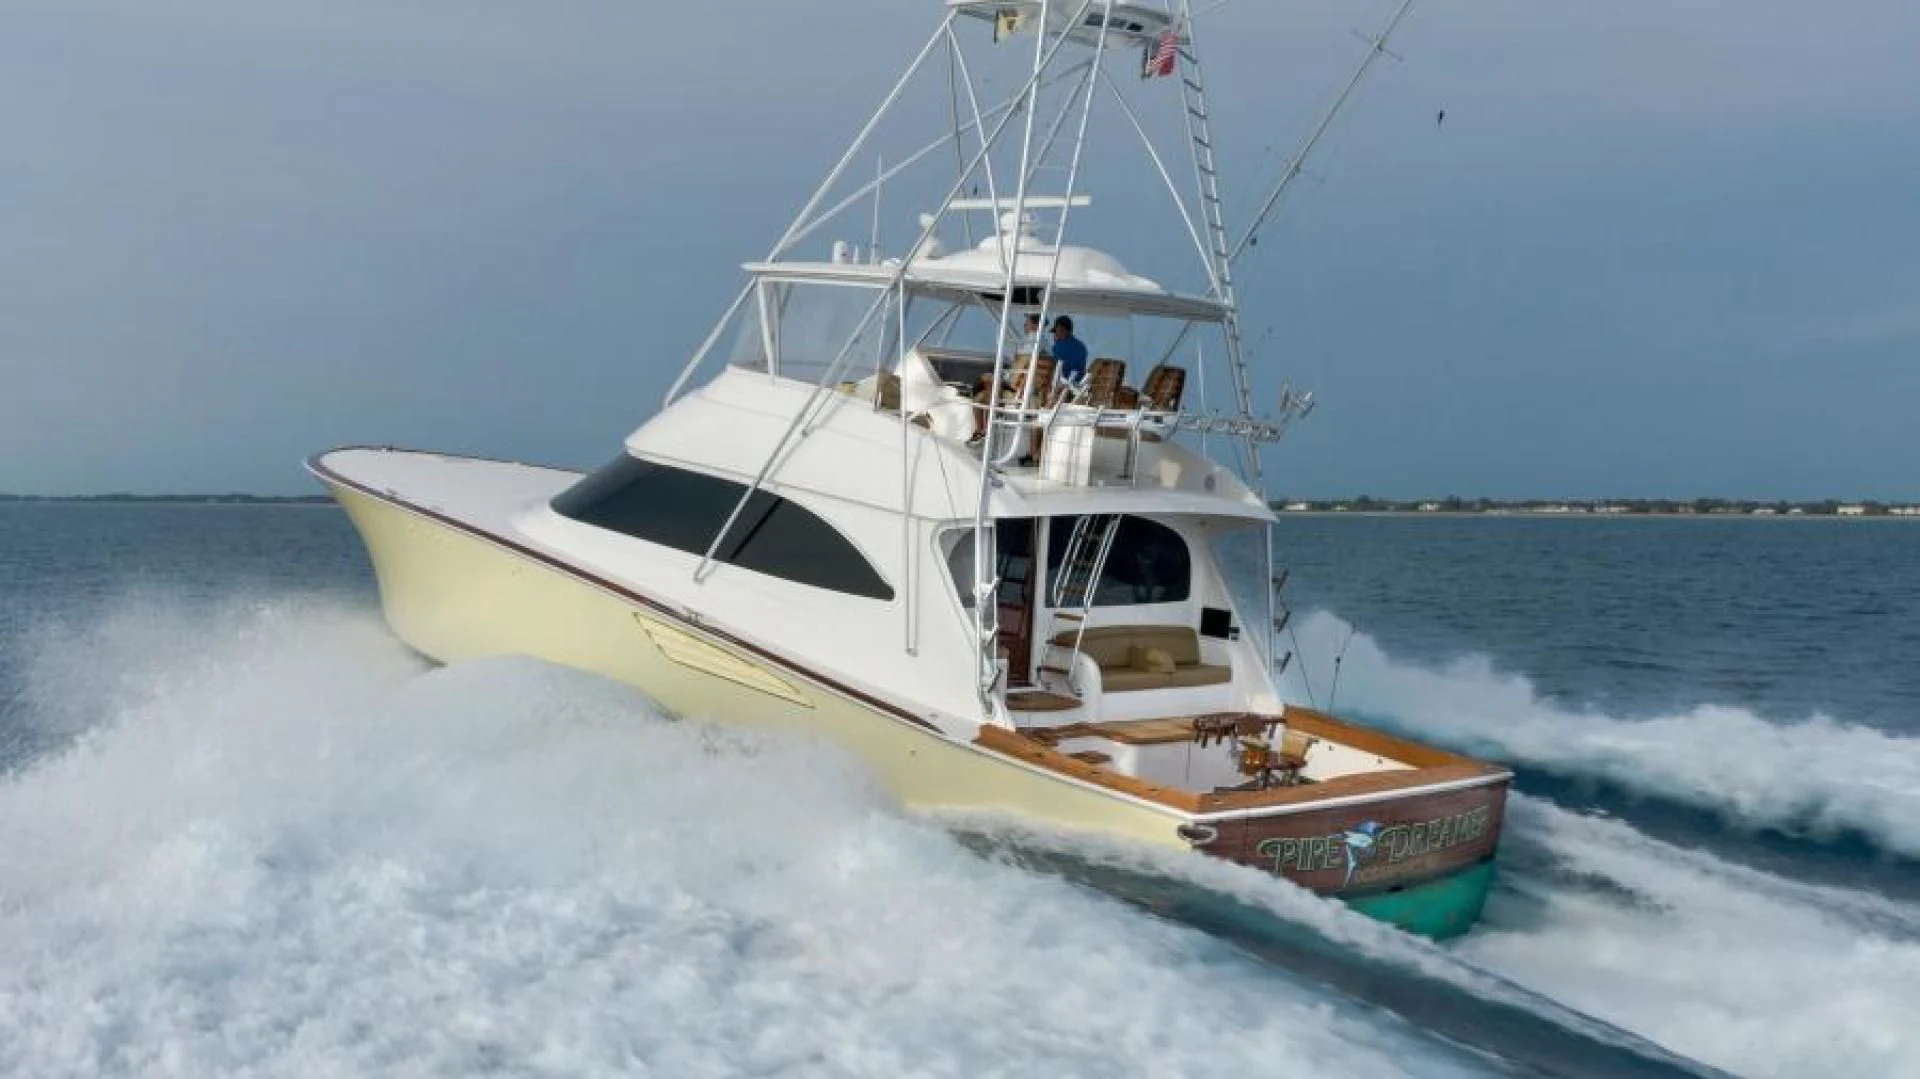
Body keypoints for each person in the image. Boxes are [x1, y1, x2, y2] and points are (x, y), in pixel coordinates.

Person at [1050, 315, 1088, 385]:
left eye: (1056, 332)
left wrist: (1057, 343)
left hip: (1062, 384)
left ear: (1062, 330)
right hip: (1078, 385)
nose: (1055, 335)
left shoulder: (1058, 347)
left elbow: (1052, 367)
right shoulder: (1081, 346)